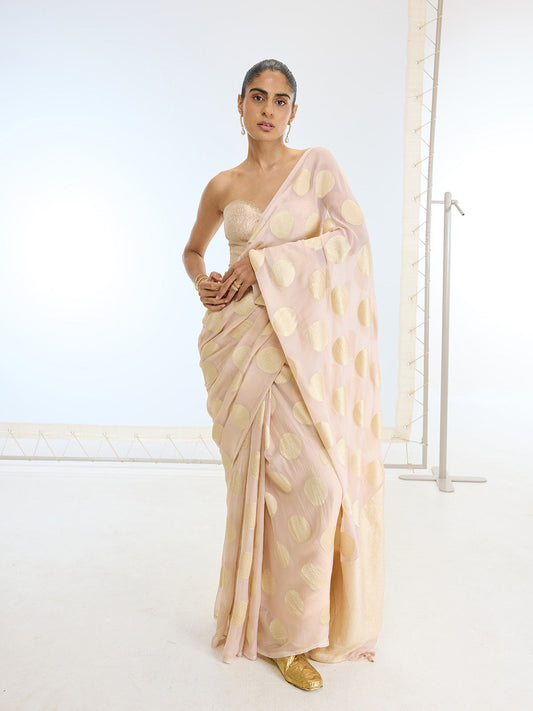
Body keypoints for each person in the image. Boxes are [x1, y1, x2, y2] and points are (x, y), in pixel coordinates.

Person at [182, 58, 384, 692]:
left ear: (294, 112)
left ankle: (296, 629)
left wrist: (264, 264)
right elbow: (193, 249)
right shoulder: (222, 185)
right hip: (236, 344)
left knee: (319, 488)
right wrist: (204, 281)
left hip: (300, 350)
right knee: (254, 493)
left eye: (280, 100)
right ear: (239, 104)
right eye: (257, 96)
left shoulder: (316, 168)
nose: (268, 109)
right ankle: (272, 632)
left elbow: (351, 239)